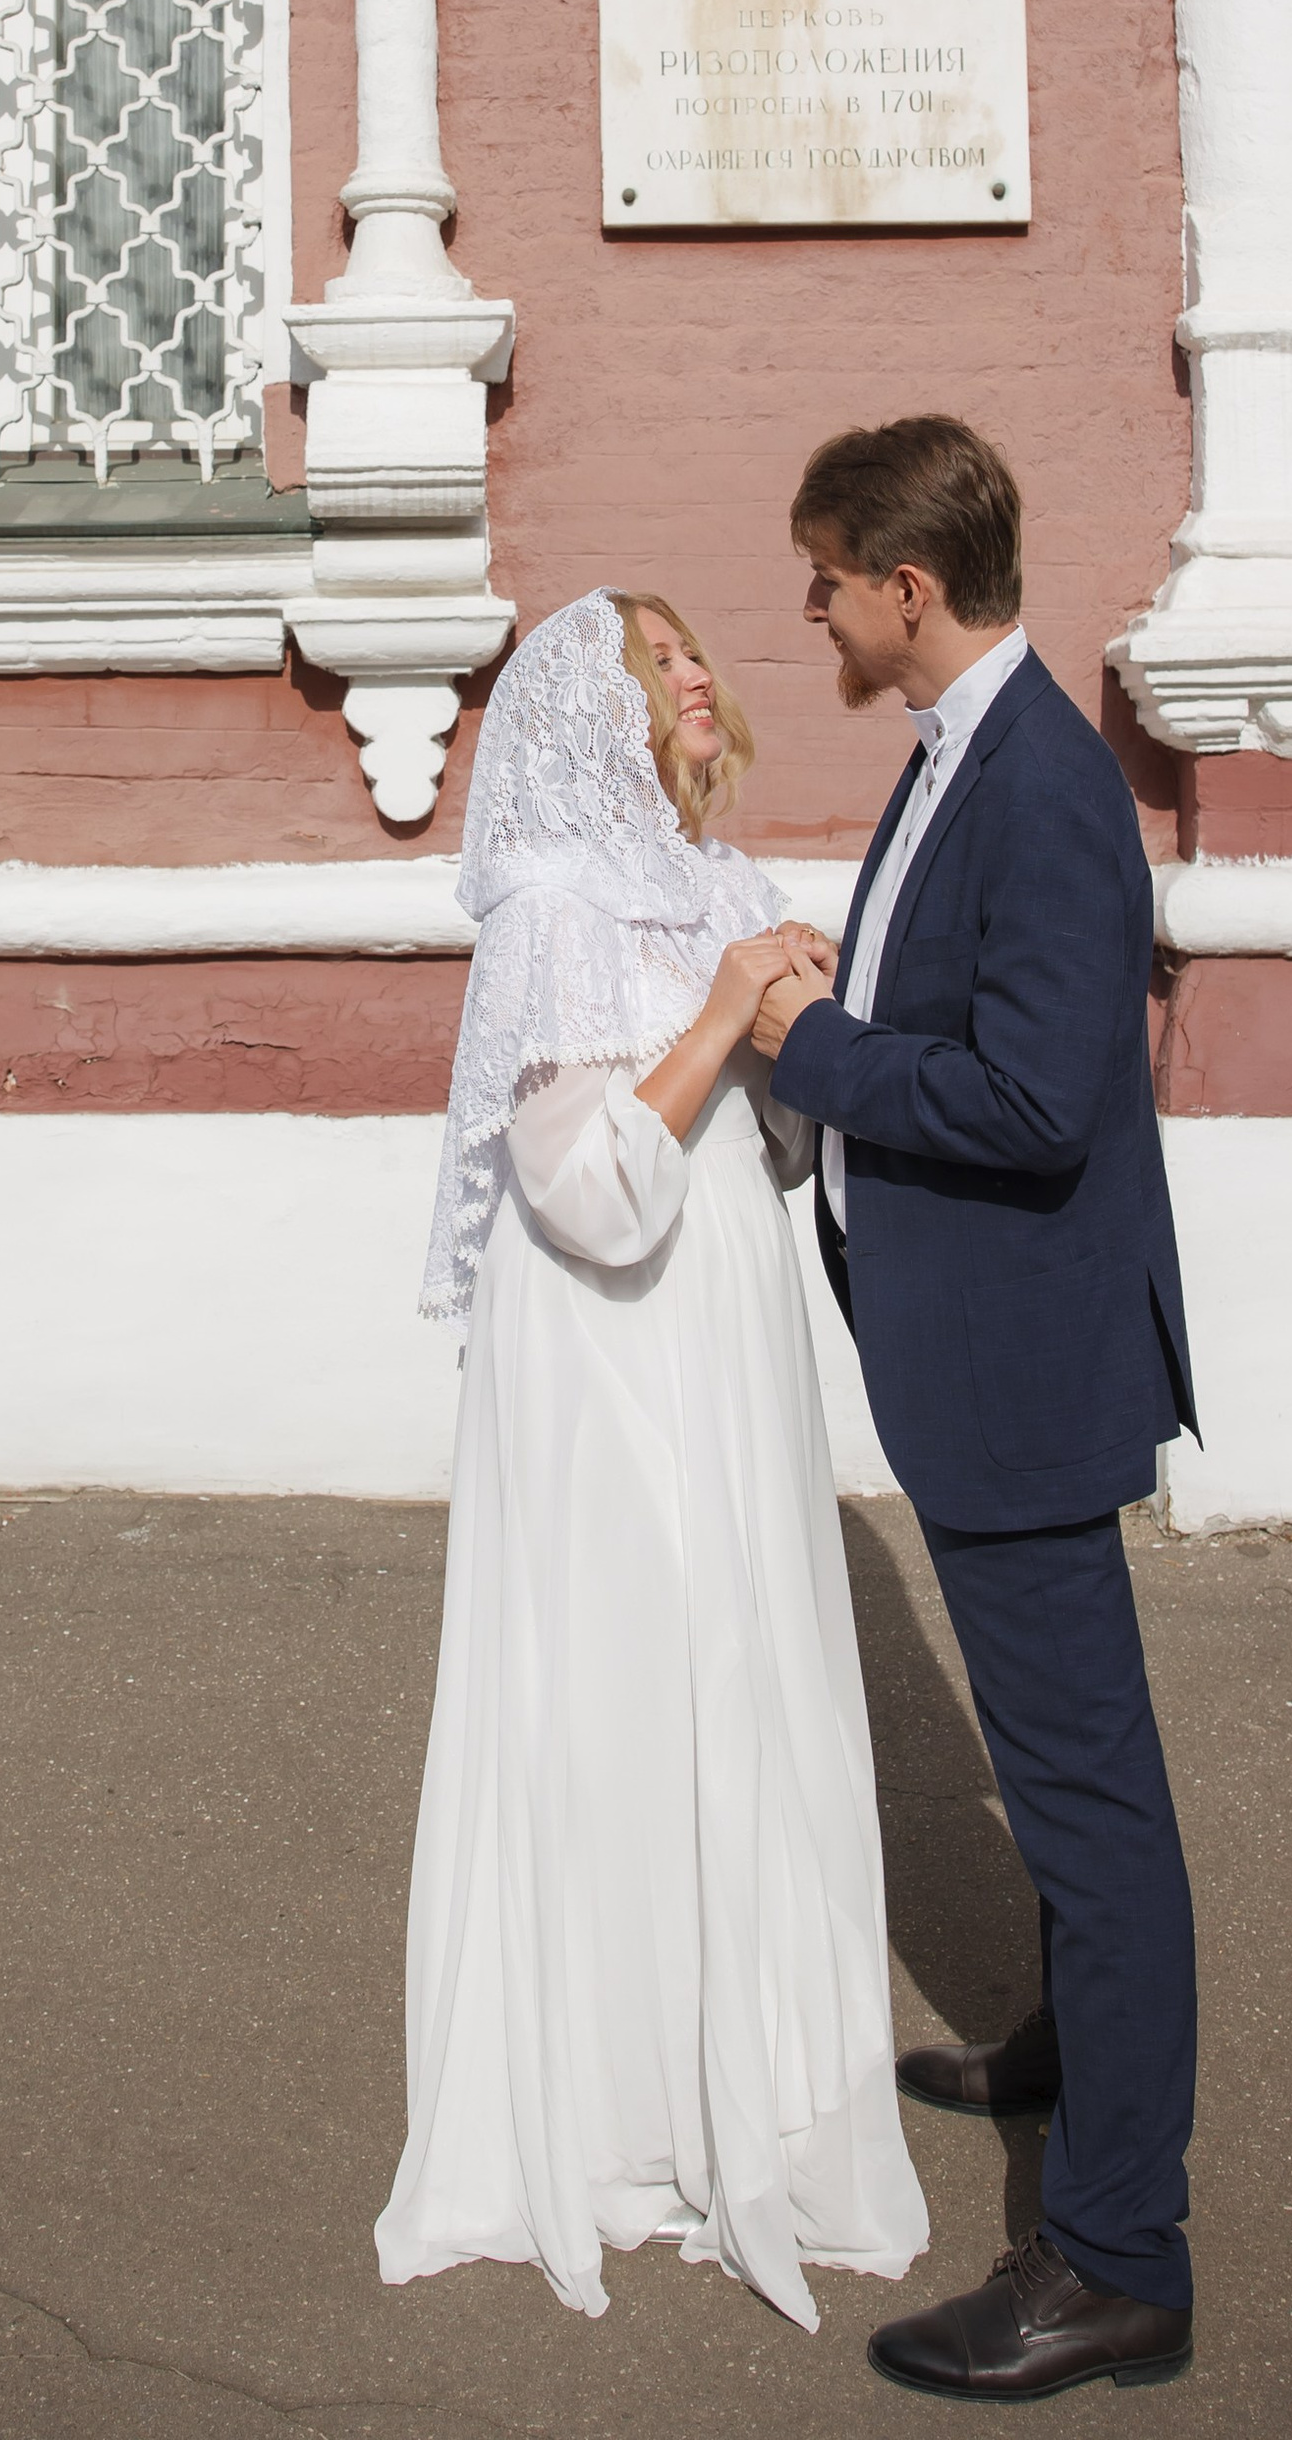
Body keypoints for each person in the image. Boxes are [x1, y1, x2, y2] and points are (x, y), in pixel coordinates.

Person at [376, 585, 929, 2331]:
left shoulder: (723, 882)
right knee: (627, 1694)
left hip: (728, 1337)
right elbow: (596, 1192)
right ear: (580, 725)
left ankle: (747, 2086)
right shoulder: (547, 910)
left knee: (745, 1684)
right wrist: (722, 1015)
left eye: (699, 650)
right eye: (653, 663)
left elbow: (765, 1138)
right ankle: (617, 2105)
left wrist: (801, 1015)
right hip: (612, 1360)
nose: (696, 675)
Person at [751, 415, 1202, 2405]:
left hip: (1019, 1372)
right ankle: (1062, 2047)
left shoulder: (1033, 782)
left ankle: (1111, 2250)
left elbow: (1031, 1099)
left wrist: (812, 1046)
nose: (811, 609)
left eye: (824, 578)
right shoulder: (964, 752)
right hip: (971, 1352)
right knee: (1052, 1759)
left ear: (901, 587)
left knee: (1090, 1805)